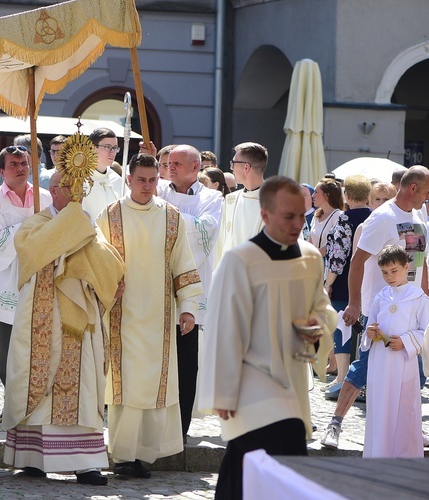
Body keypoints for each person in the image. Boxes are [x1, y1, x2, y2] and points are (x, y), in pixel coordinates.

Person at [198, 176, 337, 500]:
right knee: (269, 457)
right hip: (250, 380)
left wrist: (317, 325)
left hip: (290, 378)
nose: (297, 223)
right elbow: (224, 328)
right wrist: (223, 392)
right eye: (288, 216)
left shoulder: (310, 258)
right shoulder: (240, 261)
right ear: (265, 215)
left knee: (249, 463)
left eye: (301, 215)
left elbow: (322, 307)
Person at [2, 170, 125, 485]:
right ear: (53, 190)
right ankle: (32, 459)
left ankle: (85, 463)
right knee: (36, 378)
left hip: (81, 317)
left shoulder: (87, 224)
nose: (75, 193)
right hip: (42, 316)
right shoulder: (35, 223)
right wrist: (73, 229)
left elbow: (106, 264)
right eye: (68, 187)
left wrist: (80, 233)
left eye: (79, 188)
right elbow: (32, 251)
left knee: (83, 383)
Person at [96, 153, 202, 478]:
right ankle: (123, 455)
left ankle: (144, 455)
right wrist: (106, 287)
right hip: (121, 314)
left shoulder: (172, 217)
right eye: (141, 180)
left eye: (153, 180)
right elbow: (97, 261)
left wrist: (187, 307)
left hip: (160, 318)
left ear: (160, 179)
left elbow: (183, 263)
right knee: (126, 388)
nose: (147, 186)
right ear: (128, 179)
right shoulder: (110, 215)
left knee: (153, 384)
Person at [321, 165, 429, 450]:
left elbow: (420, 261)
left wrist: (426, 295)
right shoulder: (382, 218)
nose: (428, 197)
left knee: (414, 371)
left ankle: (408, 427)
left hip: (411, 307)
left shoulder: (419, 214)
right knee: (362, 370)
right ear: (413, 188)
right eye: (427, 190)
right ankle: (336, 423)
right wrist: (356, 304)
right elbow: (357, 261)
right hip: (381, 308)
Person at [156, 145, 222, 442]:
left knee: (185, 361)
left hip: (190, 288)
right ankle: (153, 422)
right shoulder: (157, 191)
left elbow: (205, 233)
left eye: (177, 163)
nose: (170, 167)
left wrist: (164, 216)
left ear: (195, 167)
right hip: (155, 282)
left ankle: (179, 429)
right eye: (168, 163)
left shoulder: (212, 198)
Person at [0, 146, 52, 390]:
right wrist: (32, 226)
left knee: (37, 344)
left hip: (37, 276)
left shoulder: (45, 198)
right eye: (14, 164)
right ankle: (11, 401)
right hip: (7, 280)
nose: (20, 169)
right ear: (2, 171)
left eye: (24, 164)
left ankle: (33, 400)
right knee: (8, 347)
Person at [361, 245, 428, 458]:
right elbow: (370, 326)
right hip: (379, 363)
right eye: (384, 272)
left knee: (402, 411)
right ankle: (377, 455)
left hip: (403, 365)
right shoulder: (381, 297)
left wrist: (407, 341)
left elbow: (426, 333)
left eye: (394, 271)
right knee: (379, 409)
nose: (389, 277)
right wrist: (370, 333)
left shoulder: (418, 298)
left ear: (406, 266)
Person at [321, 175, 372, 398]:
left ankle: (342, 378)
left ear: (347, 196)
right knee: (360, 332)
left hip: (343, 282)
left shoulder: (344, 219)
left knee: (342, 330)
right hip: (366, 280)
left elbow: (338, 257)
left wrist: (327, 283)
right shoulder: (373, 217)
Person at [213, 142, 266, 262]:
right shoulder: (231, 200)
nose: (231, 168)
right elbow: (221, 244)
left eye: (233, 163)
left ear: (246, 167)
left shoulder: (275, 202)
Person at [82, 128, 125, 218]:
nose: (112, 152)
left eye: (115, 148)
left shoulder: (116, 179)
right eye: (107, 147)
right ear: (92, 148)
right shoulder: (80, 179)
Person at [309, 177, 344, 256]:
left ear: (326, 195)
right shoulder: (316, 215)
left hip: (327, 264)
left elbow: (335, 244)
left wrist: (314, 254)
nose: (312, 195)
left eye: (316, 192)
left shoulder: (338, 216)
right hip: (314, 262)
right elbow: (310, 241)